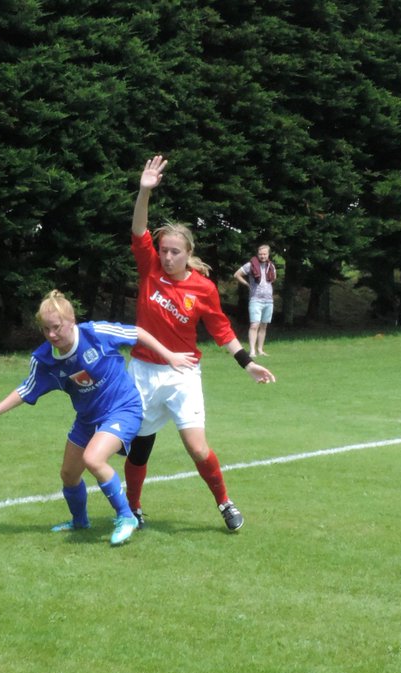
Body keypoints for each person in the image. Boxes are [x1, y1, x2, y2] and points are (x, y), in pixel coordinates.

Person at [125, 155, 275, 533]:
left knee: (196, 448)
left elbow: (222, 330)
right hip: (143, 370)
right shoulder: (150, 270)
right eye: (164, 250)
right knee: (139, 446)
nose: (168, 255)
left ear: (189, 253)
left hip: (183, 375)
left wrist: (248, 363)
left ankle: (225, 503)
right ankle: (133, 508)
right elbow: (139, 229)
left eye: (176, 251)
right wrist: (144, 191)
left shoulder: (203, 288)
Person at [0, 290, 196, 547]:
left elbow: (137, 333)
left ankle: (127, 517)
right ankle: (80, 521)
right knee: (69, 474)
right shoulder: (44, 359)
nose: (51, 335)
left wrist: (169, 356)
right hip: (88, 418)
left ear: (71, 321)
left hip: (123, 407)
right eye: (45, 329)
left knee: (93, 459)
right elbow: (27, 389)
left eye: (56, 327)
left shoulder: (96, 333)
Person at [233, 244, 276, 358]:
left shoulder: (271, 266)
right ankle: (252, 351)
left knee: (263, 326)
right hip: (255, 299)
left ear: (268, 254)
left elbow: (273, 279)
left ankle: (260, 350)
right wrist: (247, 284)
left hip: (269, 301)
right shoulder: (250, 265)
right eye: (260, 254)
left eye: (265, 254)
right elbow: (237, 275)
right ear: (258, 254)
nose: (262, 256)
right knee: (254, 325)